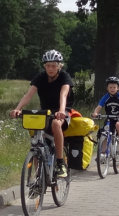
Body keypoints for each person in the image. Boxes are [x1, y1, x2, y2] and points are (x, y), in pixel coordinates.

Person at [9, 50, 74, 178]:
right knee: (37, 142)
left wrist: (61, 110)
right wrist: (18, 108)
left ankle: (60, 163)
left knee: (56, 124)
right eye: (48, 66)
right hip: (46, 112)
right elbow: (29, 95)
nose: (50, 68)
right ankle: (38, 177)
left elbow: (64, 94)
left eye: (54, 66)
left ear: (59, 66)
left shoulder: (64, 77)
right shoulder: (40, 77)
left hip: (62, 111)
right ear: (44, 66)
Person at [91, 77, 119, 152]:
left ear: (117, 88)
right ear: (107, 88)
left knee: (118, 125)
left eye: (114, 87)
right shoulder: (106, 97)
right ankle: (103, 152)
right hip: (109, 118)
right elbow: (99, 107)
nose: (112, 89)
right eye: (110, 87)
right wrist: (95, 113)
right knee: (104, 132)